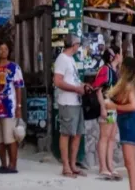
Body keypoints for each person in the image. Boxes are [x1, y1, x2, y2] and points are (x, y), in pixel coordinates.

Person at [105, 57, 135, 190]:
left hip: (129, 124)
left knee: (129, 163)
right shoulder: (129, 84)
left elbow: (133, 106)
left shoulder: (127, 86)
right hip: (130, 123)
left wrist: (113, 106)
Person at [54, 33, 90, 178]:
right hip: (67, 102)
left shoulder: (71, 60)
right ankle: (66, 166)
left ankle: (73, 164)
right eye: (78, 44)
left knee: (77, 133)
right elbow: (58, 81)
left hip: (76, 101)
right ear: (74, 44)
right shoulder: (62, 59)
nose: (78, 47)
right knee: (66, 133)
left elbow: (73, 79)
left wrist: (83, 86)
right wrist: (76, 89)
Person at [0, 40, 25, 174]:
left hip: (9, 107)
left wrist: (19, 106)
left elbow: (18, 87)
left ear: (9, 51)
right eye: (0, 49)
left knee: (10, 138)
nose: (3, 51)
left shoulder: (14, 67)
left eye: (5, 49)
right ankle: (3, 164)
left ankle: (13, 165)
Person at [93, 46, 122, 180]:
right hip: (106, 106)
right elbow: (98, 89)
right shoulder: (105, 70)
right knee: (104, 136)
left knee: (111, 137)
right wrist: (102, 107)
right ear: (115, 56)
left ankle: (110, 165)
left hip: (114, 107)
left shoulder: (116, 71)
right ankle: (103, 166)